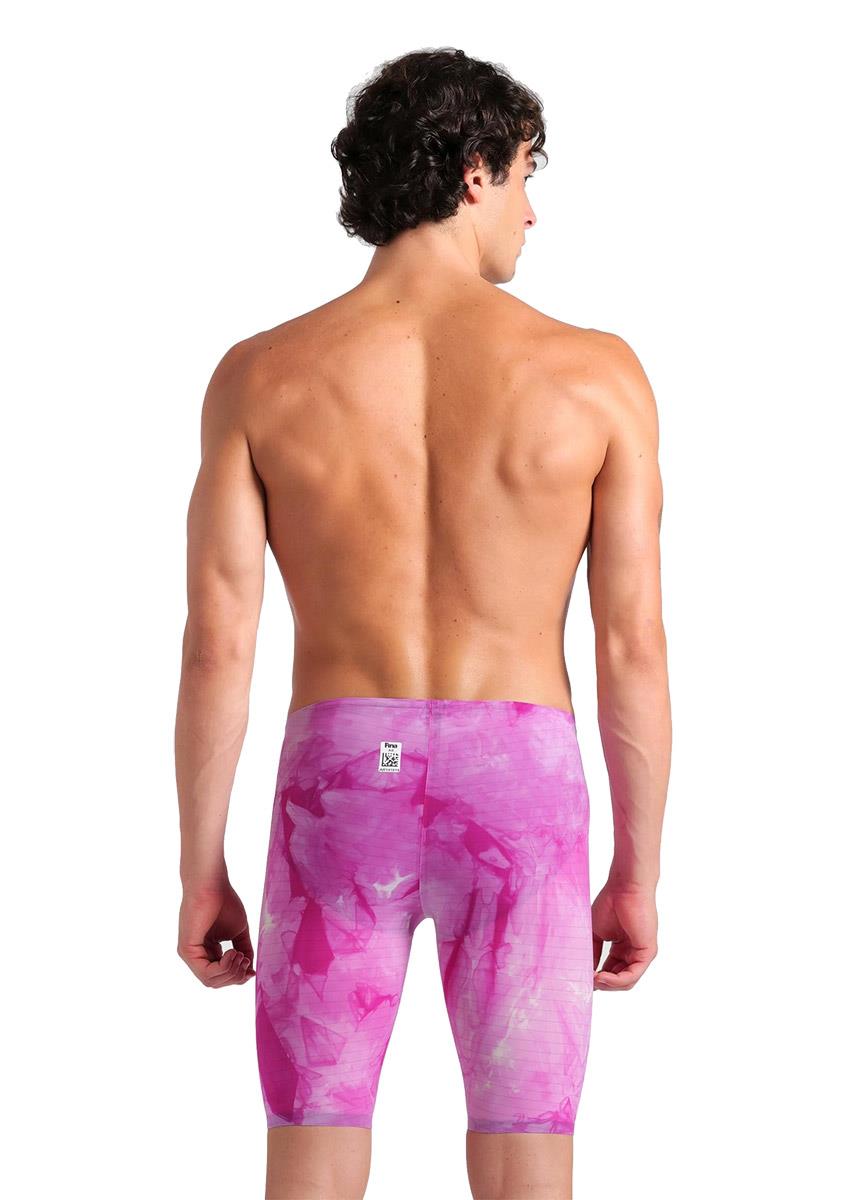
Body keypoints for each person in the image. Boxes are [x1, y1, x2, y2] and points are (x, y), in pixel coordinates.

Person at [175, 45, 671, 1200]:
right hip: (520, 788)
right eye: (525, 175)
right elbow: (630, 647)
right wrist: (635, 872)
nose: (531, 211)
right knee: (524, 1151)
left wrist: (201, 869)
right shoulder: (595, 376)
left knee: (311, 1146)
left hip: (343, 780)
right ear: (471, 171)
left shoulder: (260, 376)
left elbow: (218, 643)